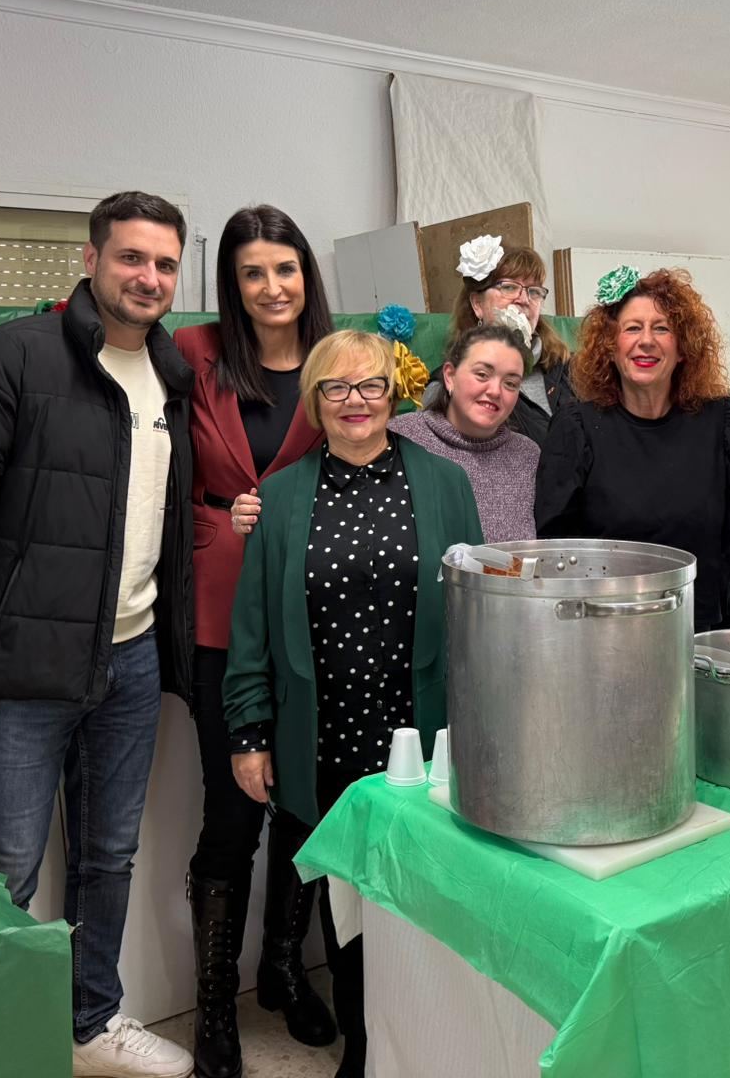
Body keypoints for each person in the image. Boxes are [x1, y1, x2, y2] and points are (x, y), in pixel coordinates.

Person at [0, 191, 196, 1078]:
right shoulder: (11, 359)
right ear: (92, 259)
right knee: (4, 867)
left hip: (130, 659)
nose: (148, 277)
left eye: (166, 264)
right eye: (132, 257)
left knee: (109, 856)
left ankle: (90, 1022)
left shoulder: (173, 377)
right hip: (19, 668)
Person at [224, 330, 482, 1078]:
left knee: (423, 899)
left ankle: (425, 1047)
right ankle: (364, 1048)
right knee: (347, 910)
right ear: (315, 401)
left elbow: (475, 618)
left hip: (421, 735)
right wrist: (249, 734)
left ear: (393, 394)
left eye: (369, 385)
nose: (354, 401)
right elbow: (252, 631)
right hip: (324, 736)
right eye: (334, 388)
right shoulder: (278, 498)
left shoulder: (445, 484)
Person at [172, 206, 335, 1077]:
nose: (272, 287)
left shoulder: (335, 359)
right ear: (231, 285)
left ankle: (281, 970)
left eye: (285, 268)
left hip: (311, 618)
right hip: (219, 611)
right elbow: (156, 471)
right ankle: (214, 1006)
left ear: (306, 274)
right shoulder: (193, 353)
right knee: (233, 811)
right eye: (252, 272)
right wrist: (217, 514)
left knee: (304, 802)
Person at [534, 266, 730, 631]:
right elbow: (557, 555)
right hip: (603, 636)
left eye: (662, 328)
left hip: (699, 637)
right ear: (610, 347)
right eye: (632, 328)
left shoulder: (721, 421)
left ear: (683, 349)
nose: (646, 340)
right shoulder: (576, 428)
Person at [390, 321, 540, 542]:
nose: (495, 391)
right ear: (449, 376)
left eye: (510, 383)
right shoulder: (401, 437)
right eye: (482, 374)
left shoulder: (527, 454)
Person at [426, 238, 571, 444]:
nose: (524, 300)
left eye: (534, 291)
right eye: (509, 287)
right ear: (477, 304)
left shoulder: (570, 370)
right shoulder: (446, 387)